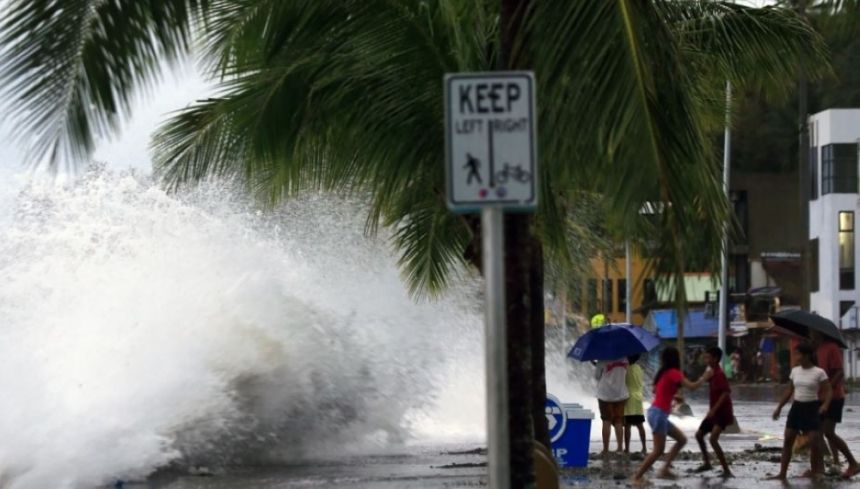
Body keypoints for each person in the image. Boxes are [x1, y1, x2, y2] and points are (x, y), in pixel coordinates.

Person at [633, 347, 704, 483]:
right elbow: (693, 387)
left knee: (682, 439)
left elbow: (656, 390)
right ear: (675, 359)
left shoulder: (662, 373)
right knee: (658, 450)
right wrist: (705, 377)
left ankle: (665, 469)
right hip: (659, 414)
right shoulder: (674, 372)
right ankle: (637, 477)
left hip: (655, 412)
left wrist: (673, 396)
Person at [768, 342, 832, 480]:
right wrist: (779, 408)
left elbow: (829, 391)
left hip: (812, 408)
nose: (796, 357)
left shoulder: (819, 372)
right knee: (788, 440)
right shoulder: (795, 371)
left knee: (814, 442)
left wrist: (825, 405)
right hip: (797, 407)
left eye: (798, 354)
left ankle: (815, 471)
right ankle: (782, 473)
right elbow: (789, 390)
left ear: (807, 356)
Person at [811, 331, 860, 478]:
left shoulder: (831, 347)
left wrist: (829, 387)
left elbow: (839, 371)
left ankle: (853, 463)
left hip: (834, 397)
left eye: (811, 332)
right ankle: (818, 468)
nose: (810, 335)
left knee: (827, 432)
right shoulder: (815, 349)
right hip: (818, 396)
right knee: (816, 433)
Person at [692, 346, 734, 477]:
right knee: (699, 435)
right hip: (713, 412)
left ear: (715, 359)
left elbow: (726, 393)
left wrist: (714, 409)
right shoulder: (712, 372)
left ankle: (726, 470)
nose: (705, 359)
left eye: (708, 357)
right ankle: (707, 463)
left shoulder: (720, 374)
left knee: (713, 439)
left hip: (722, 413)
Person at [595, 356, 629, 455]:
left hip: (605, 394)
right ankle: (620, 448)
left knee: (606, 420)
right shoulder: (625, 359)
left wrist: (597, 366)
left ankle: (606, 449)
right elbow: (625, 374)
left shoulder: (602, 359)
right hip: (620, 393)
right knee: (619, 421)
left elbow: (597, 376)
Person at [624, 354, 647, 454]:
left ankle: (627, 449)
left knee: (627, 425)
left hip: (629, 399)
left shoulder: (626, 369)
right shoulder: (639, 368)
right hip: (638, 398)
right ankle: (644, 447)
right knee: (640, 425)